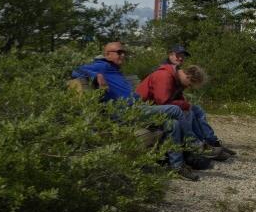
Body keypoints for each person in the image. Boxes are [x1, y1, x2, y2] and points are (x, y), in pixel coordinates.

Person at [72, 42, 200, 181]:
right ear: (107, 54)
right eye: (119, 52)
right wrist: (96, 75)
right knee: (174, 109)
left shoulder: (115, 69)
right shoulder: (102, 65)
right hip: (124, 113)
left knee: (172, 123)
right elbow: (76, 70)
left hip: (135, 109)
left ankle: (177, 166)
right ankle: (193, 143)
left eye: (124, 52)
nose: (123, 55)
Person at [136, 64, 235, 158]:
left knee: (195, 110)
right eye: (190, 85)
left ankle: (208, 143)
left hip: (155, 108)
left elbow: (175, 98)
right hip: (142, 112)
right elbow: (163, 102)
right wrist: (184, 105)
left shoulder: (176, 79)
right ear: (188, 77)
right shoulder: (164, 76)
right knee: (186, 113)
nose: (188, 87)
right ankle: (195, 147)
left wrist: (186, 105)